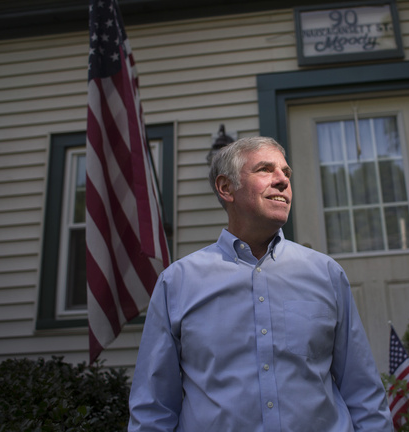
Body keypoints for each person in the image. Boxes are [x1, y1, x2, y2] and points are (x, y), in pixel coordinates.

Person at [128, 136, 393, 431]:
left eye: (286, 173)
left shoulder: (326, 274)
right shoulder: (177, 283)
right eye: (266, 169)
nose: (282, 181)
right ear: (226, 187)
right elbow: (153, 408)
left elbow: (363, 392)